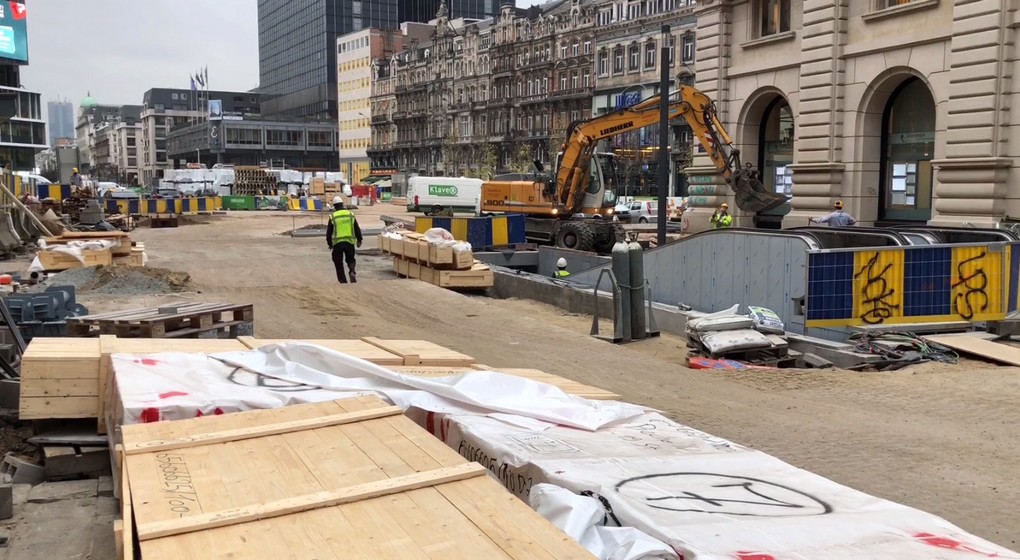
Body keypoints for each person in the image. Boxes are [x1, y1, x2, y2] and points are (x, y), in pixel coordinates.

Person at [326, 196, 363, 284]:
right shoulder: (350, 214)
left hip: (338, 244)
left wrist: (330, 244)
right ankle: (352, 271)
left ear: (334, 206)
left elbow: (329, 233)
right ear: (342, 204)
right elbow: (357, 228)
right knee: (350, 259)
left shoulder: (333, 216)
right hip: (349, 242)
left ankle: (343, 281)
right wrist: (359, 239)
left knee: (338, 262)